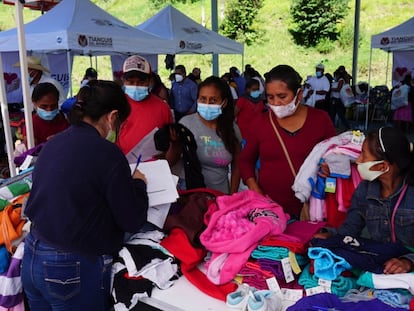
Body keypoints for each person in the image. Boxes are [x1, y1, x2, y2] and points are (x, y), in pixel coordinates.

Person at [21, 80, 149, 310]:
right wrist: (139, 185)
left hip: (32, 255)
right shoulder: (108, 154)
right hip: (69, 266)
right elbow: (131, 219)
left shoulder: (54, 143)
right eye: (121, 123)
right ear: (113, 117)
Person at [239, 65, 336, 218]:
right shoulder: (260, 122)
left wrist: (329, 169)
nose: (276, 103)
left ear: (299, 94)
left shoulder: (320, 119)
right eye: (270, 97)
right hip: (271, 210)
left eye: (282, 96)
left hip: (313, 207)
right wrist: (255, 189)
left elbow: (336, 156)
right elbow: (245, 161)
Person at [314, 127, 414, 274]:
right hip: (382, 267)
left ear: (383, 166)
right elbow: (350, 230)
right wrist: (330, 236)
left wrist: (408, 261)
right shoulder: (364, 190)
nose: (358, 160)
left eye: (364, 155)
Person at [180, 76, 242, 194]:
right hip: (191, 197)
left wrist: (232, 195)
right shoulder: (186, 124)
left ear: (224, 103)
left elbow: (237, 166)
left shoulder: (232, 129)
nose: (207, 104)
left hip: (220, 195)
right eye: (203, 99)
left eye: (213, 100)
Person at [117, 54, 173, 155]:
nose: (135, 86)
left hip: (153, 166)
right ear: (124, 81)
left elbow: (171, 141)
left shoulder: (162, 107)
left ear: (149, 81)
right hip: (122, 164)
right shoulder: (115, 105)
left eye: (141, 82)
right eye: (131, 82)